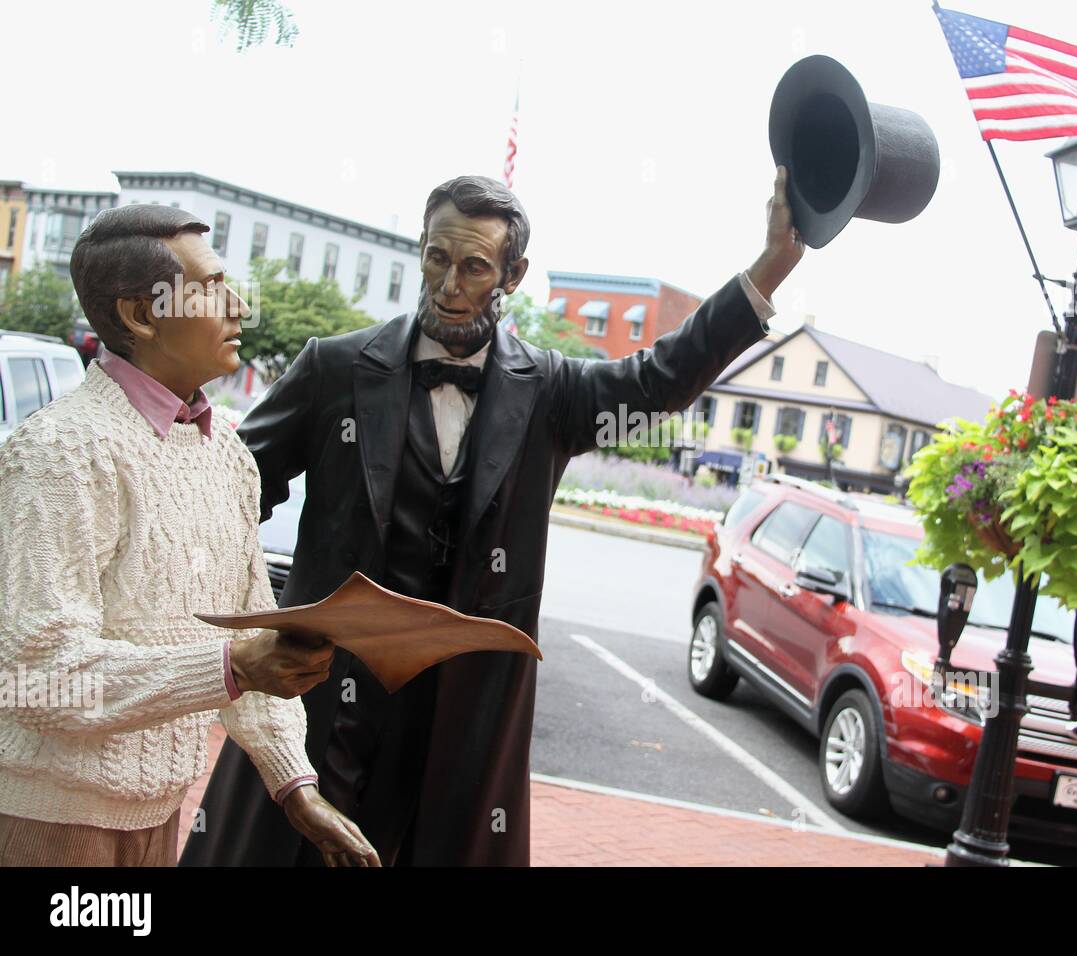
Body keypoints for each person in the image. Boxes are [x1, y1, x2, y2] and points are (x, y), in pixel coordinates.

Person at [184, 167, 803, 866]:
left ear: (512, 274)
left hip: (460, 717)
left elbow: (657, 380)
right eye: (436, 258)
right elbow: (225, 491)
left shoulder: (552, 393)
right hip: (323, 697)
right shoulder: (334, 369)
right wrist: (253, 615)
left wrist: (770, 270)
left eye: (474, 266)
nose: (450, 284)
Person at [0, 205, 379, 866]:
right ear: (140, 316)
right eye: (210, 287)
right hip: (49, 819)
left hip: (160, 816)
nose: (238, 306)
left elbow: (245, 643)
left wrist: (296, 785)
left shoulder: (227, 458)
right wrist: (229, 669)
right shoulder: (61, 451)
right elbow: (36, 674)